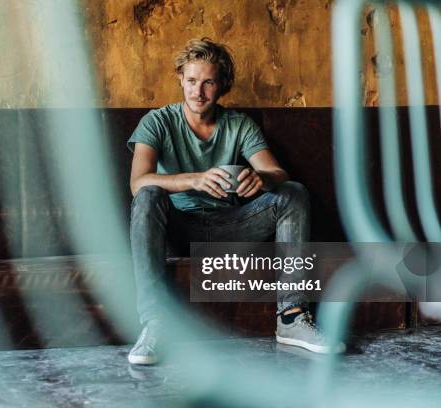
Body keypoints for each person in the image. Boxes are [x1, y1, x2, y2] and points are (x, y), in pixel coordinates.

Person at [126, 38, 345, 365]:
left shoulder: (238, 124)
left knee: (293, 192)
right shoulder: (158, 122)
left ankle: (292, 318)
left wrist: (262, 179)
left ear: (222, 85)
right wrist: (194, 179)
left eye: (208, 82)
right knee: (148, 195)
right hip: (178, 228)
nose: (198, 91)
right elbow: (137, 182)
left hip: (233, 225)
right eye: (191, 81)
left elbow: (275, 171)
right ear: (180, 80)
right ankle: (155, 324)